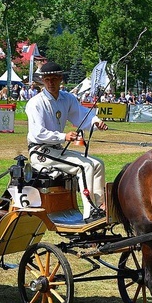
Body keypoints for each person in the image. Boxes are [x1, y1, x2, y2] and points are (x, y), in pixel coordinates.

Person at [25, 61, 109, 221]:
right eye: (47, 79)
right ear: (42, 80)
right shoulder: (35, 103)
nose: (51, 83)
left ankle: (100, 206)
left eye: (55, 79)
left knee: (98, 164)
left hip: (56, 149)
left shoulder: (67, 99)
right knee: (84, 167)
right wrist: (63, 136)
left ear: (61, 79)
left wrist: (96, 121)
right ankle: (89, 211)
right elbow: (37, 134)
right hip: (40, 152)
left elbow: (83, 115)